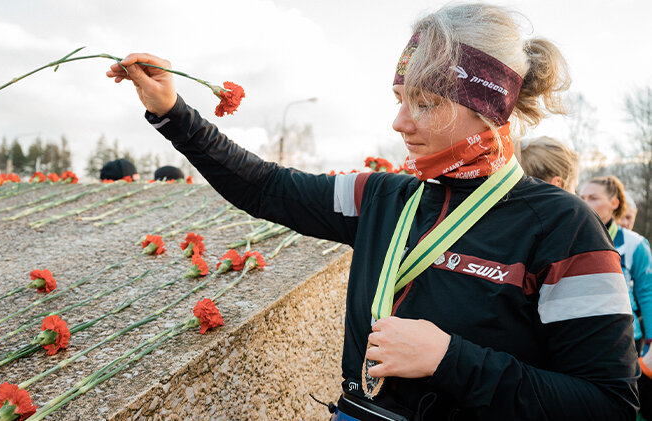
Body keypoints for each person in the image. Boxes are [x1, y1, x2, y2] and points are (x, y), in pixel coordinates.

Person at [107, 4, 638, 419]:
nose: (399, 122)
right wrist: (173, 113)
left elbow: (607, 405)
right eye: (399, 97)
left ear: (487, 110)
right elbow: (267, 188)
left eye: (425, 102)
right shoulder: (385, 197)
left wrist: (450, 360)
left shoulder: (564, 226)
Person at [579, 176, 652, 353]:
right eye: (582, 198)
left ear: (614, 203)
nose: (585, 204)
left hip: (624, 342)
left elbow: (647, 293)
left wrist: (651, 343)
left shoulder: (635, 243)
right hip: (581, 339)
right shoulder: (570, 239)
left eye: (593, 198)